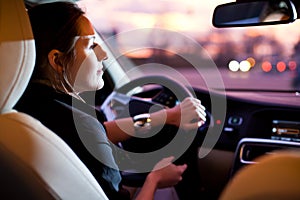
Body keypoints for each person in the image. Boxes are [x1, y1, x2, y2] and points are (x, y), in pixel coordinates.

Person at [15, 2, 206, 200]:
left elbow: (103, 131)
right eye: (91, 46)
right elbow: (95, 134)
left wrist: (166, 116)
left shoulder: (28, 105)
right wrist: (155, 179)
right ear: (58, 60)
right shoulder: (79, 125)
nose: (104, 55)